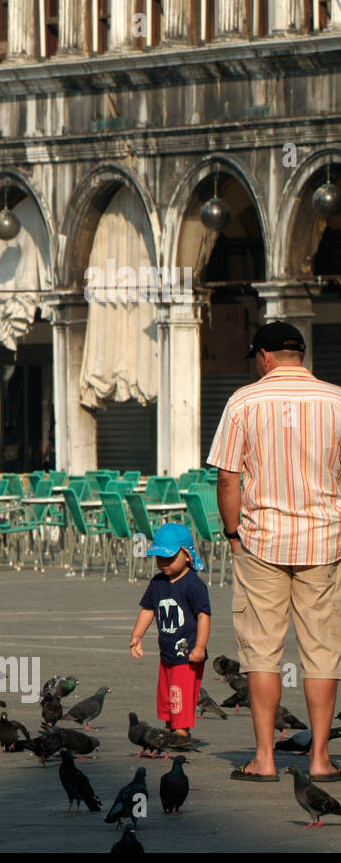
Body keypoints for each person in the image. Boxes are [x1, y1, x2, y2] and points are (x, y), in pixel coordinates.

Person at [207, 321, 341, 783]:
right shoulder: (337, 400)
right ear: (299, 354)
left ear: (264, 356)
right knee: (322, 651)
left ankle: (264, 758)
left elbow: (226, 478)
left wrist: (231, 532)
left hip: (261, 540)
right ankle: (321, 759)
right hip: (324, 541)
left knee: (262, 652)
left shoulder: (244, 400)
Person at [128, 523, 211, 737]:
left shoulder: (194, 585)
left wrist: (200, 646)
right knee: (166, 693)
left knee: (180, 692)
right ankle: (168, 726)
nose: (163, 564)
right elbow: (148, 610)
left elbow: (203, 616)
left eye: (169, 558)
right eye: (159, 558)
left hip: (187, 653)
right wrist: (137, 635)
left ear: (186, 554)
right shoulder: (157, 583)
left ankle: (181, 731)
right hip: (166, 652)